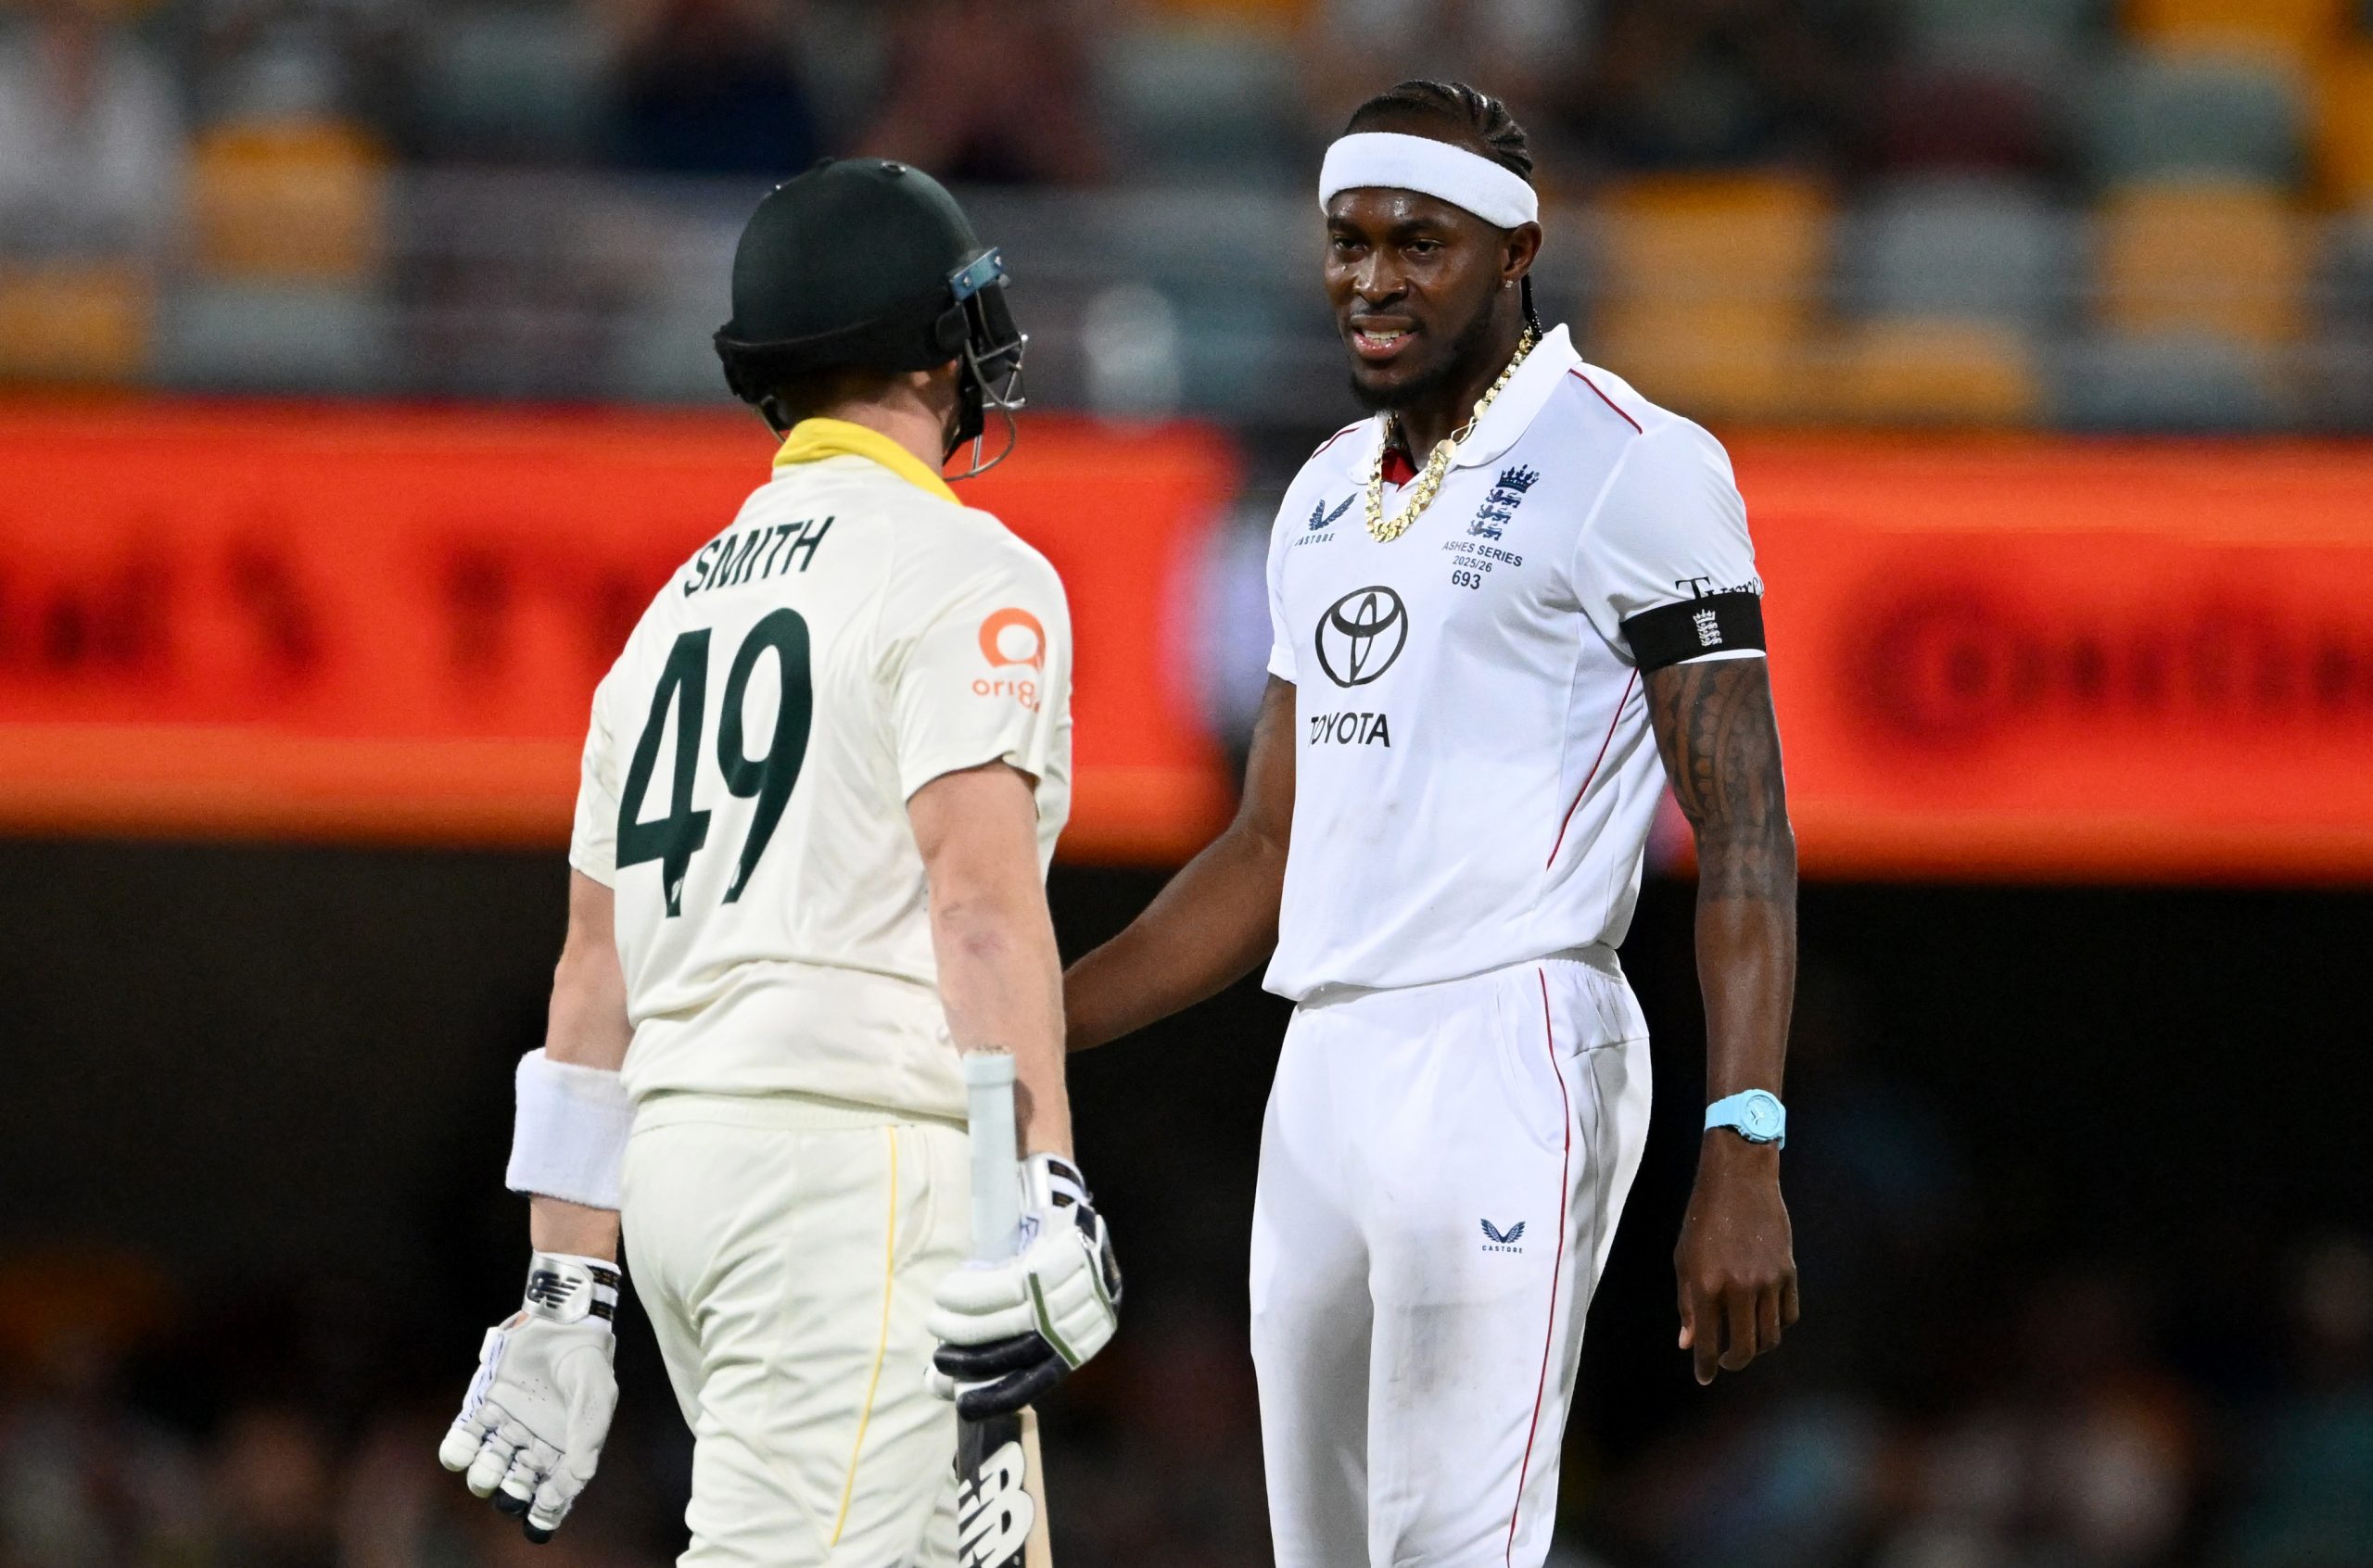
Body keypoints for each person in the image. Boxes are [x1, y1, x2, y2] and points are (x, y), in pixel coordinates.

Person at [1062, 80, 1801, 1568]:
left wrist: (1745, 1145)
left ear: (1516, 251)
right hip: (1323, 1060)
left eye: (1421, 243)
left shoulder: (1634, 459)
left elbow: (1744, 829)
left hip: (1510, 1039)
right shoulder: (1322, 494)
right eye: (1349, 241)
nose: (1373, 279)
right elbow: (1265, 853)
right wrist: (1022, 1026)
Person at [434, 158, 1122, 1565]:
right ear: (941, 350)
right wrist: (1048, 1181)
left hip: (685, 1175)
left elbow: (592, 981)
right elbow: (978, 912)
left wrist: (566, 1284)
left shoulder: (665, 620)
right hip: (851, 1174)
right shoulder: (968, 568)